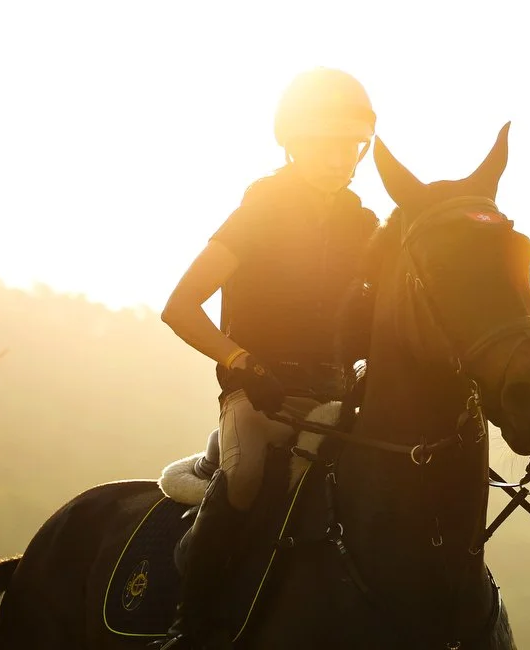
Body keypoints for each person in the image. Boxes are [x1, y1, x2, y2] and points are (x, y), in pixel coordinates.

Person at [154, 67, 381, 650]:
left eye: (352, 146)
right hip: (256, 394)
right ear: (295, 143)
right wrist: (246, 364)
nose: (343, 158)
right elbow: (180, 307)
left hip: (333, 397)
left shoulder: (363, 225)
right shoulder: (262, 208)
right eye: (330, 145)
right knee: (249, 476)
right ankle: (191, 626)